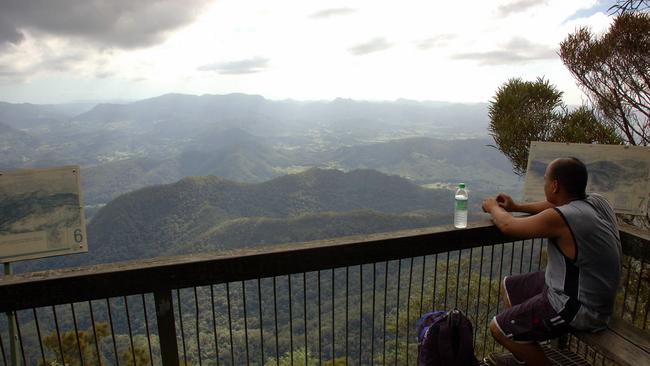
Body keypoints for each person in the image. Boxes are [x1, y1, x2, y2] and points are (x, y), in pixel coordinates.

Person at [481, 157, 622, 366]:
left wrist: (493, 207)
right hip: (590, 293)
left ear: (554, 185)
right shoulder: (597, 201)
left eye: (546, 179)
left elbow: (508, 226)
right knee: (510, 286)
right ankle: (528, 349)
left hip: (580, 307)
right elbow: (553, 204)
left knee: (498, 328)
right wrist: (517, 206)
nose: (544, 183)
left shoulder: (563, 218)